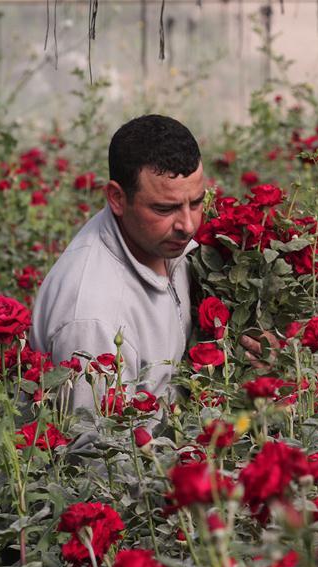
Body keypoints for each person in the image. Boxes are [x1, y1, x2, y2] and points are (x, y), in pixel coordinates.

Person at [30, 114, 272, 414]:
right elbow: (98, 452)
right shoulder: (92, 320)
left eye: (196, 202)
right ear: (117, 198)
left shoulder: (164, 245)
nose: (187, 225)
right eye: (165, 208)